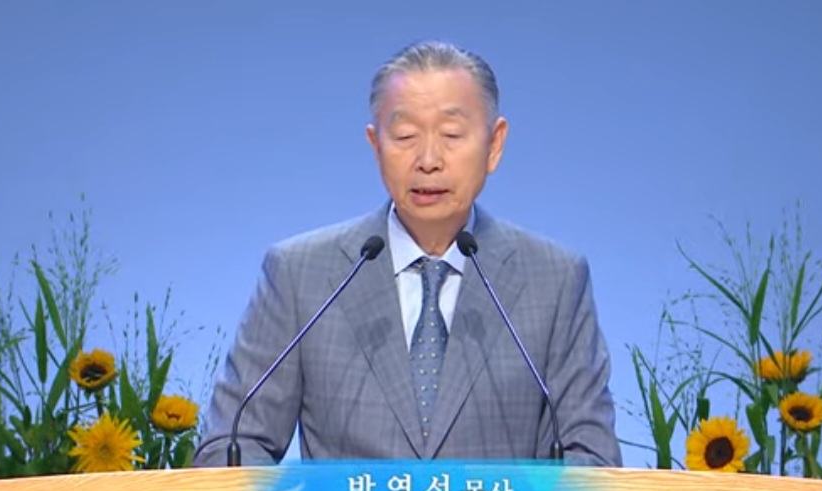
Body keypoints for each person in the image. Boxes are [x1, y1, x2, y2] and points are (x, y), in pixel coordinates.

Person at [193, 40, 622, 467]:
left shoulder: (555, 280)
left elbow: (591, 460)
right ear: (375, 145)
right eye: (405, 136)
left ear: (494, 145)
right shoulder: (299, 274)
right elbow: (232, 446)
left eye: (451, 135)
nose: (428, 160)